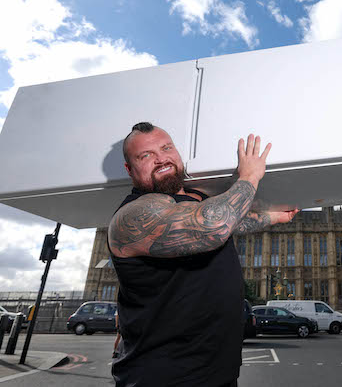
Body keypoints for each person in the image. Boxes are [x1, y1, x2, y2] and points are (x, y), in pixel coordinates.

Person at [108, 123, 298, 387]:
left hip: (218, 372)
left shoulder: (194, 197)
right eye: (146, 155)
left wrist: (273, 217)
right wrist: (249, 177)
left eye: (166, 148)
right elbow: (213, 226)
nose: (161, 158)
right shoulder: (132, 216)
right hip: (163, 377)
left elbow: (229, 222)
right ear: (130, 169)